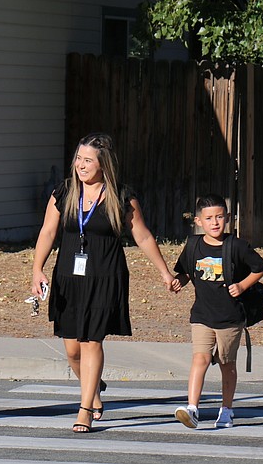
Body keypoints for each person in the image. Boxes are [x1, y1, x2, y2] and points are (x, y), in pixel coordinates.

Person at [31, 132, 177, 433]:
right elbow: (47, 232)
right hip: (68, 277)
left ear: (103, 165)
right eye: (78, 159)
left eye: (88, 161)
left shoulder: (121, 196)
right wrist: (37, 269)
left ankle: (84, 409)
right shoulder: (64, 191)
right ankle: (93, 387)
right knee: (72, 349)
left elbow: (143, 235)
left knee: (91, 340)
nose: (81, 165)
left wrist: (164, 271)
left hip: (106, 276)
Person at [172, 194, 263, 429]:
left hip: (230, 317)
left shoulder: (236, 246)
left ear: (228, 218)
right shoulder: (193, 245)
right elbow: (185, 271)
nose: (214, 222)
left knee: (227, 363)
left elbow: (261, 267)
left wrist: (242, 285)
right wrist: (178, 282)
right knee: (200, 358)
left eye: (219, 217)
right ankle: (192, 408)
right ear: (198, 221)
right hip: (202, 315)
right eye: (209, 218)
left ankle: (226, 410)